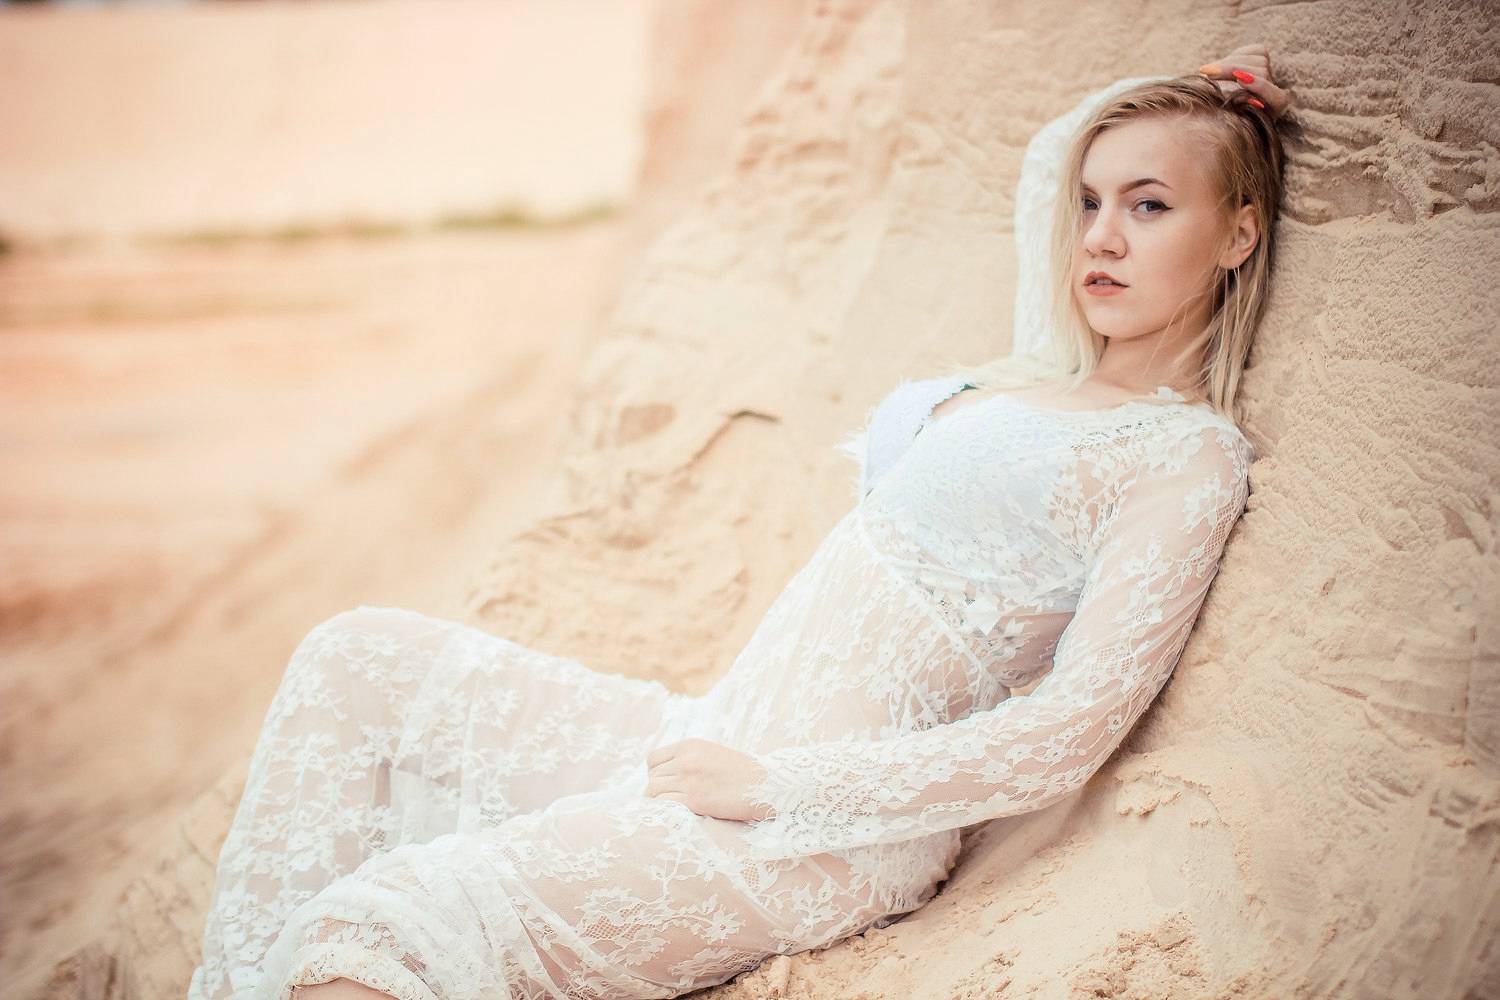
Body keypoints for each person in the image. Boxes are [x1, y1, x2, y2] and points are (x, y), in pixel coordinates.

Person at [187, 45, 1292, 1000]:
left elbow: (1068, 733)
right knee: (355, 659)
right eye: (1093, 204)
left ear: (1239, 234)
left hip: (815, 833)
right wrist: (1199, 99)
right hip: (711, 731)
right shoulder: (1042, 369)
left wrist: (780, 791)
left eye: (1151, 206)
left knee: (383, 923)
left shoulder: (1182, 458)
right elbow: (1054, 157)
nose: (1102, 236)